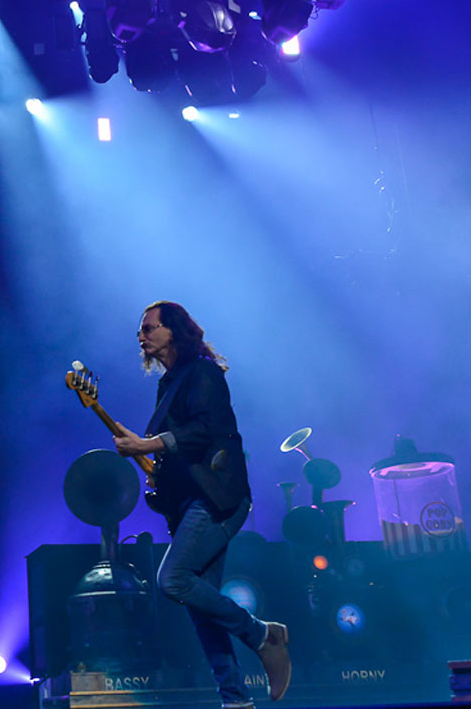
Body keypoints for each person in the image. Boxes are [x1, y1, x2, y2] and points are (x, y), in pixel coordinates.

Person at [111, 300, 291, 706]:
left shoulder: (204, 372)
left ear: (174, 330)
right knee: (202, 607)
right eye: (140, 331)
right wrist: (157, 469)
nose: (141, 336)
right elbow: (182, 449)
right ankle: (235, 700)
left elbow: (207, 430)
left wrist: (147, 445)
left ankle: (264, 635)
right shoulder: (169, 384)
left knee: (172, 580)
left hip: (217, 500)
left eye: (149, 328)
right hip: (190, 502)